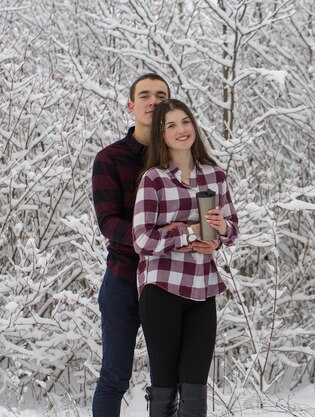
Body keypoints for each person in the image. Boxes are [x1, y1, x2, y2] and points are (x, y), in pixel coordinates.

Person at [91, 76, 218, 417]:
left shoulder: (180, 156)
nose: (152, 101)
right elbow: (108, 223)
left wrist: (209, 236)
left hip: (173, 279)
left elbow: (207, 214)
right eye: (144, 96)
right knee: (115, 375)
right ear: (131, 106)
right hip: (124, 278)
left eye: (160, 95)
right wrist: (156, 235)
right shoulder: (111, 159)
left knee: (166, 377)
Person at [132, 99, 239, 416]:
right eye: (171, 125)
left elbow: (232, 230)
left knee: (195, 390)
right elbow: (142, 239)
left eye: (186, 122)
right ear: (161, 135)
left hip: (202, 288)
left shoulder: (215, 176)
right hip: (161, 287)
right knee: (165, 384)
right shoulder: (154, 179)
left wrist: (216, 237)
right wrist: (189, 233)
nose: (181, 130)